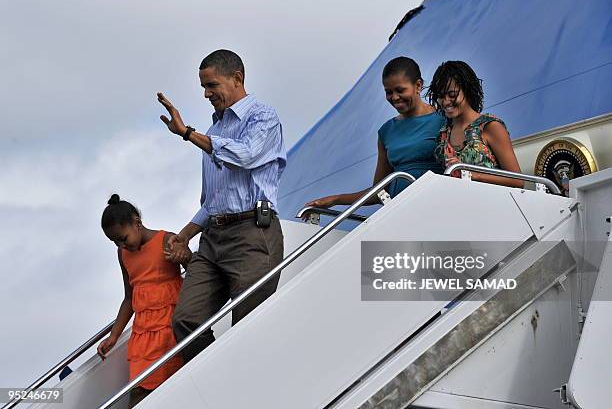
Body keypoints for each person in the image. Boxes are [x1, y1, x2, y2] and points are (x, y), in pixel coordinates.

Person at [157, 49, 286, 363]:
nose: (206, 93)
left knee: (249, 323)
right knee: (186, 320)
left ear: (237, 78)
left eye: (212, 85)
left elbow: (245, 154)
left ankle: (241, 382)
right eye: (203, 86)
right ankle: (216, 376)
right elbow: (213, 200)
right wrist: (185, 235)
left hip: (253, 234)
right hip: (213, 237)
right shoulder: (213, 132)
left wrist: (188, 134)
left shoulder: (263, 116)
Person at [305, 57, 445, 209]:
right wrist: (336, 199)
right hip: (400, 211)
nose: (394, 97)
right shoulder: (386, 132)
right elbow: (379, 190)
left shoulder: (444, 119)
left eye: (400, 90)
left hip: (435, 205)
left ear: (418, 85)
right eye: (388, 92)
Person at [97, 194, 189, 408]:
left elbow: (195, 273)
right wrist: (114, 336)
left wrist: (186, 258)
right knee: (139, 390)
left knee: (170, 387)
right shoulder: (123, 255)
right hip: (143, 335)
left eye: (123, 237)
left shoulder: (167, 240)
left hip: (170, 326)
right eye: (115, 242)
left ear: (137, 223)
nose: (121, 245)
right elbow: (129, 297)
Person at [426, 60, 523, 187]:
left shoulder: (490, 126)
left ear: (467, 90)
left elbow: (517, 181)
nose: (445, 102)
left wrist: (471, 175)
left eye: (452, 94)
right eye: (441, 96)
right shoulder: (443, 134)